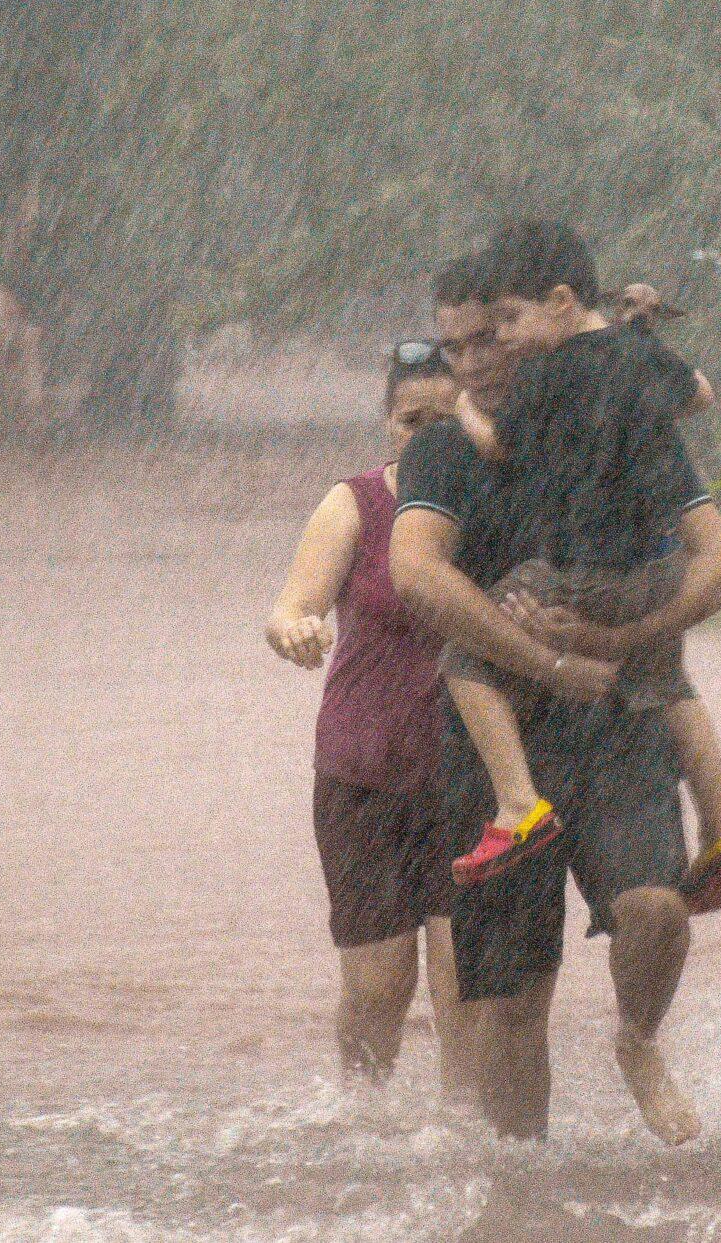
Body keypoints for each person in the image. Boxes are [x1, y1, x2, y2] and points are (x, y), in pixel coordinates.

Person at [392, 225, 721, 1145]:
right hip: (496, 745)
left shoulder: (617, 415)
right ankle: (524, 1190)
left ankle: (638, 1038)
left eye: (493, 333)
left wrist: (620, 638)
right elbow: (416, 574)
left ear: (541, 320)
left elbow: (720, 564)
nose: (479, 360)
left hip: (616, 720)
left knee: (657, 909)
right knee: (513, 999)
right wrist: (547, 660)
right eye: (457, 347)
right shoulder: (443, 452)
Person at [440, 252, 721, 915]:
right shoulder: (637, 364)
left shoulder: (550, 374)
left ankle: (518, 803)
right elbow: (699, 393)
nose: (507, 339)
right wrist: (637, 344)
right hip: (656, 572)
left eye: (509, 321)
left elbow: (496, 444)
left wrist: (461, 408)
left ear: (559, 302)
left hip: (581, 573)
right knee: (671, 686)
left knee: (465, 653)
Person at [264, 338, 474, 1085]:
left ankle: (467, 1131)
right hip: (364, 773)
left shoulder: (498, 504)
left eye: (446, 422)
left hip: (471, 774)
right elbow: (292, 606)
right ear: (389, 422)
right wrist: (295, 629)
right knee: (379, 987)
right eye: (413, 421)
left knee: (463, 987)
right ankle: (359, 1114)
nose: (429, 437)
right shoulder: (354, 504)